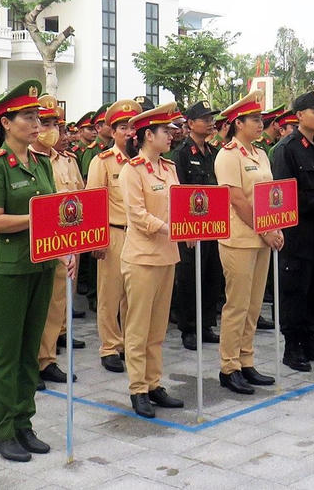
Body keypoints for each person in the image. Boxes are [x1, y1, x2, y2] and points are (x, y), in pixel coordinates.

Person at [0, 79, 55, 462]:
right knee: (7, 352)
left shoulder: (41, 163)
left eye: (37, 116)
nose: (36, 123)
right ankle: (2, 429)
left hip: (42, 264)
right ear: (6, 123)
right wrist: (37, 218)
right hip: (9, 269)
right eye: (27, 116)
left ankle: (24, 422)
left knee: (29, 349)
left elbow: (56, 211)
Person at [115, 102, 185, 417]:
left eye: (171, 131)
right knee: (138, 327)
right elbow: (138, 215)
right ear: (148, 135)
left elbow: (179, 205)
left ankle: (154, 383)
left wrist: (189, 226)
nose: (171, 135)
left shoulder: (169, 168)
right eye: (165, 131)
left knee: (157, 329)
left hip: (167, 255)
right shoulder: (132, 170)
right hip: (142, 257)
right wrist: (172, 228)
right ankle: (138, 388)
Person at [213, 89, 281, 395]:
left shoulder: (261, 154)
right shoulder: (228, 155)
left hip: (262, 237)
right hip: (239, 238)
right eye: (254, 119)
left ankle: (246, 359)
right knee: (237, 305)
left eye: (260, 118)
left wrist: (275, 226)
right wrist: (265, 230)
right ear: (238, 123)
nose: (260, 123)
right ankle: (229, 367)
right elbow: (238, 200)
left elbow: (269, 196)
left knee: (253, 305)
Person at [269, 90, 314, 372]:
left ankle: (310, 339)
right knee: (295, 291)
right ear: (299, 115)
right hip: (297, 233)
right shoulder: (286, 149)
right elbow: (285, 194)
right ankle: (292, 346)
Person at [85, 98, 142, 373]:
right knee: (110, 294)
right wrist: (97, 239)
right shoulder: (103, 161)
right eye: (122, 128)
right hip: (113, 233)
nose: (128, 133)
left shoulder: (142, 163)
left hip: (139, 236)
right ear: (113, 131)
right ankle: (109, 346)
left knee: (134, 294)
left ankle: (130, 343)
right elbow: (93, 202)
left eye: (132, 128)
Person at [33, 97, 85, 386]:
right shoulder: (26, 159)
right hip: (37, 243)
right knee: (36, 307)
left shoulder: (67, 161)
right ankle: (30, 362)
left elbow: (80, 198)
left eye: (55, 123)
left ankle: (47, 359)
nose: (51, 130)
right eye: (45, 123)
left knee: (56, 305)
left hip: (64, 243)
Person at [169, 100, 223, 351]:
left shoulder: (213, 153)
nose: (211, 123)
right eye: (205, 119)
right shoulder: (181, 153)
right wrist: (186, 227)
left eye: (212, 119)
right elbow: (178, 193)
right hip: (191, 226)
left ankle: (206, 324)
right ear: (190, 123)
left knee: (212, 274)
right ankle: (189, 328)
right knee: (189, 277)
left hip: (213, 224)